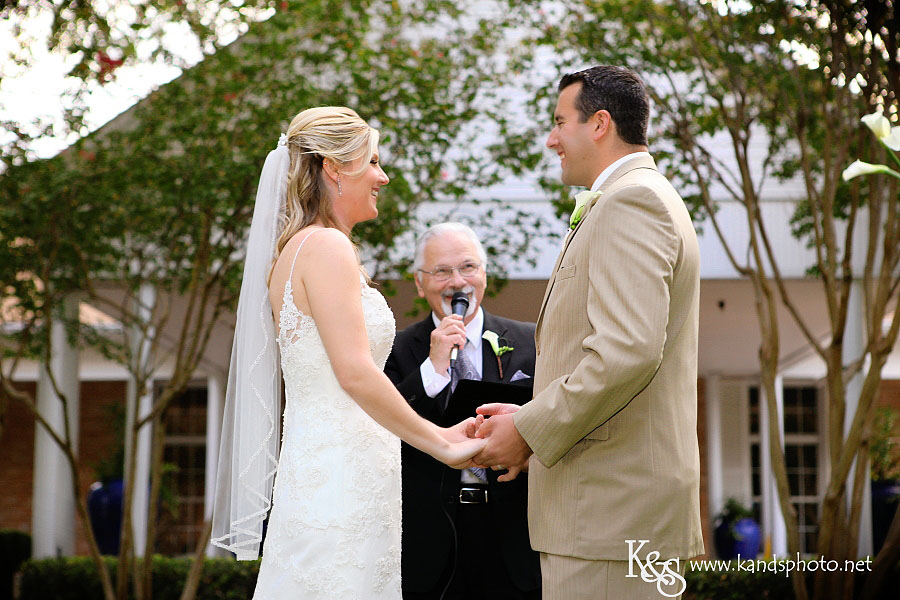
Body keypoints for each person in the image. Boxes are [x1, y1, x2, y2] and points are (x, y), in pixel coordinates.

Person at [210, 107, 485, 600]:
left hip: (337, 474)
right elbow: (355, 372)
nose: (383, 176)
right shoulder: (325, 247)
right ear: (335, 168)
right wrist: (442, 441)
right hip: (340, 485)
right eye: (373, 161)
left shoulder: (296, 249)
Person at [474, 66, 704, 599]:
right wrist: (529, 413)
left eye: (560, 122)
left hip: (609, 514)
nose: (551, 139)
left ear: (599, 124)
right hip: (606, 514)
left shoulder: (631, 202)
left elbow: (627, 351)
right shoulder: (635, 196)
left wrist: (530, 429)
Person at [384, 223, 541, 600]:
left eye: (468, 268)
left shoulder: (530, 341)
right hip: (431, 541)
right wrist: (432, 369)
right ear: (420, 284)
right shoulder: (396, 349)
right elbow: (385, 432)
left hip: (514, 535)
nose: (457, 282)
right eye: (441, 271)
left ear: (484, 273)